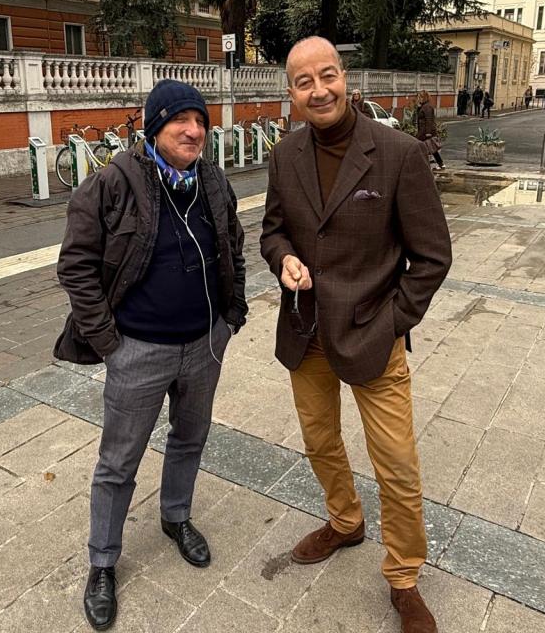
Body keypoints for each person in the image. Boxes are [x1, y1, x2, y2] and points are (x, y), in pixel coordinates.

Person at [260, 36, 452, 633]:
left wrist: (394, 322)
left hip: (374, 335)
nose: (318, 90)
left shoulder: (397, 153)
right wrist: (282, 259)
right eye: (303, 81)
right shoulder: (284, 155)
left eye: (327, 76)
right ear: (290, 93)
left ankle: (404, 576)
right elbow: (272, 231)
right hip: (306, 331)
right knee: (320, 442)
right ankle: (345, 521)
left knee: (395, 462)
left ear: (346, 78)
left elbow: (432, 256)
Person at [57, 79, 249, 631]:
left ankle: (176, 517)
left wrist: (230, 318)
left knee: (190, 438)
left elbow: (231, 243)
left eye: (201, 121)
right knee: (118, 462)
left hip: (204, 343)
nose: (194, 131)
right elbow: (76, 267)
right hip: (137, 349)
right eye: (179, 121)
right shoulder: (112, 182)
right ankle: (102, 563)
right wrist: (109, 344)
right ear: (154, 126)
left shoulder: (213, 180)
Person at [415, 90, 443, 170]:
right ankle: (440, 164)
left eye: (420, 97)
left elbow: (429, 120)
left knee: (425, 148)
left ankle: (437, 164)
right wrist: (419, 107)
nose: (418, 99)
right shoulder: (424, 106)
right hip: (423, 131)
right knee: (431, 148)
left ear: (424, 98)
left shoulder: (427, 107)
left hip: (425, 132)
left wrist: (428, 132)